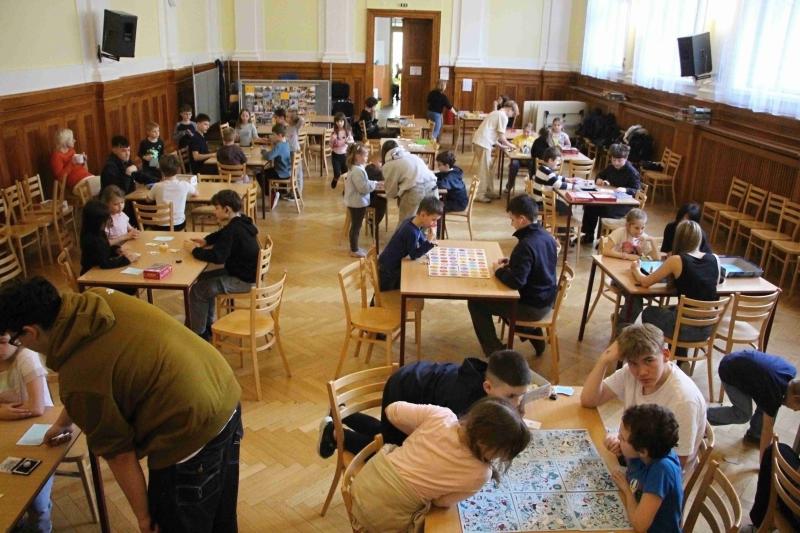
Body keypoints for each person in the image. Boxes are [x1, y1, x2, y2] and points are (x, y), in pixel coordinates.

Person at [0, 277, 242, 533]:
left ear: (31, 332)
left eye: (14, 340)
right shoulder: (95, 299)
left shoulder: (79, 379)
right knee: (222, 518)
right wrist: (63, 423)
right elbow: (97, 376)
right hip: (223, 390)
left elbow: (120, 455)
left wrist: (144, 517)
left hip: (189, 428)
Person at [348, 397, 530, 532]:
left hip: (363, 482)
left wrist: (417, 434)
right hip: (383, 519)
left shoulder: (441, 415)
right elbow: (441, 502)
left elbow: (392, 410)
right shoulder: (481, 473)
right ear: (492, 448)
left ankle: (340, 424)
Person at [317, 349, 533, 457]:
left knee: (387, 433)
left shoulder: (492, 386)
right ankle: (333, 433)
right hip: (404, 391)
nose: (516, 403)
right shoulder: (463, 402)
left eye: (521, 395)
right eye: (511, 396)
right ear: (487, 387)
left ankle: (342, 412)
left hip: (418, 382)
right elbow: (446, 443)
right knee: (392, 451)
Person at [581, 324, 706, 474]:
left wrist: (629, 448)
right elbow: (589, 400)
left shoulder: (684, 401)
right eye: (633, 363)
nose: (642, 372)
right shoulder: (630, 373)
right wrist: (605, 359)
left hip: (656, 477)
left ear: (666, 355)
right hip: (633, 457)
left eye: (649, 360)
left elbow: (677, 464)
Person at [468, 195, 558, 357]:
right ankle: (534, 335)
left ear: (522, 219)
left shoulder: (525, 245)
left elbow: (516, 282)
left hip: (531, 306)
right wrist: (513, 263)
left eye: (512, 219)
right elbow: (538, 264)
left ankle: (496, 352)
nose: (511, 224)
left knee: (477, 303)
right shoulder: (546, 236)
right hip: (546, 299)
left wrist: (498, 270)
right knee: (499, 299)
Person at [632, 220, 722, 355]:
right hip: (707, 328)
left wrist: (636, 270)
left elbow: (645, 282)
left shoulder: (677, 260)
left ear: (678, 239)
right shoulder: (715, 259)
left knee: (648, 312)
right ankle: (679, 358)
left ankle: (649, 355)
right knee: (675, 311)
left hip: (684, 329)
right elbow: (714, 283)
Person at [185, 189, 260, 338]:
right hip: (246, 273)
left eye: (217, 208)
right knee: (203, 279)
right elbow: (222, 234)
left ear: (227, 210)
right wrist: (206, 240)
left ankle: (198, 334)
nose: (214, 211)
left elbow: (218, 257)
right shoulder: (241, 220)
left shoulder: (233, 230)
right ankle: (206, 325)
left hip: (243, 280)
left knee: (197, 291)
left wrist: (194, 250)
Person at [0, 333, 54, 533]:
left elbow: (37, 407)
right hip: (8, 436)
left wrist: (3, 411)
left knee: (37, 502)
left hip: (40, 434)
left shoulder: (26, 357)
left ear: (14, 338)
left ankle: (40, 526)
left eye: (2, 342)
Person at [707, 350, 799, 452]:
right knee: (743, 414)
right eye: (798, 408)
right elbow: (767, 430)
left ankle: (755, 434)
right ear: (795, 398)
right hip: (729, 370)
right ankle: (702, 416)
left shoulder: (791, 372)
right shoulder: (774, 392)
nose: (795, 410)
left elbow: (771, 401)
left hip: (741, 361)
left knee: (772, 405)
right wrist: (764, 460)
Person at [612, 404, 683, 533]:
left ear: (643, 451)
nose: (618, 438)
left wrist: (627, 490)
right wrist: (616, 447)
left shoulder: (662, 470)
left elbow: (639, 526)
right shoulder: (648, 451)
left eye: (622, 438)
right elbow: (632, 462)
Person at [602, 209, 659, 331]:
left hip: (636, 276)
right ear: (628, 225)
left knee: (640, 295)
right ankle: (621, 330)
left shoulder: (643, 237)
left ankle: (621, 323)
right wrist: (627, 256)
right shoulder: (620, 232)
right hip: (617, 276)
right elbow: (605, 250)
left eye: (642, 228)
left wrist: (653, 242)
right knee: (635, 299)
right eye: (636, 228)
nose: (640, 231)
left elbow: (656, 260)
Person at [377, 196, 442, 291]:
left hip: (388, 264)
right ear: (423, 215)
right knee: (409, 285)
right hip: (389, 271)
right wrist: (428, 242)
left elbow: (420, 238)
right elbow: (414, 255)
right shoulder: (411, 231)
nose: (435, 223)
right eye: (433, 219)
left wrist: (428, 242)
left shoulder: (412, 221)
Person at [581, 143, 641, 244]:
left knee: (605, 210)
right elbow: (600, 175)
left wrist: (625, 189)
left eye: (619, 160)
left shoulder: (632, 172)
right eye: (614, 160)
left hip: (623, 205)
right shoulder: (611, 167)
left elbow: (636, 190)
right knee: (590, 206)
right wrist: (599, 179)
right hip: (610, 199)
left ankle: (607, 240)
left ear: (626, 159)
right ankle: (589, 235)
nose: (616, 163)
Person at [381, 140, 439, 224]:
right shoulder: (412, 156)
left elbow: (391, 192)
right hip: (433, 188)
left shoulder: (389, 164)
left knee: (406, 224)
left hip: (415, 191)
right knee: (427, 223)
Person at [472, 100, 518, 203]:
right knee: (484, 170)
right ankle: (480, 194)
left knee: (489, 169)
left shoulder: (496, 112)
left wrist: (501, 146)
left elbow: (491, 133)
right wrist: (512, 145)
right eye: (513, 113)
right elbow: (501, 136)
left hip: (481, 142)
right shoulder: (503, 116)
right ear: (510, 109)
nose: (512, 116)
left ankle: (489, 191)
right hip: (483, 143)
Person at [80, 199, 138, 279]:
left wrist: (116, 250)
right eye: (105, 220)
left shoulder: (98, 231)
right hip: (91, 275)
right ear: (95, 222)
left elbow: (104, 248)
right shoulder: (90, 239)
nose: (107, 222)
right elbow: (105, 263)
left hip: (100, 271)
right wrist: (126, 260)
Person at [344, 143, 381, 258]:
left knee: (356, 226)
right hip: (357, 203)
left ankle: (354, 247)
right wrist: (374, 185)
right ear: (357, 156)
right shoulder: (357, 171)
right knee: (356, 226)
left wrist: (374, 183)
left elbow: (364, 183)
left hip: (357, 201)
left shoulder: (357, 168)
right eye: (365, 156)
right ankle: (354, 250)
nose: (367, 158)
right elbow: (363, 188)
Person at [148, 154, 198, 231]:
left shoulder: (157, 186)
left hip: (160, 225)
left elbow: (148, 200)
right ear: (178, 170)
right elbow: (196, 193)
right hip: (178, 224)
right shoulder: (184, 184)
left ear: (161, 171)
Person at [100, 135, 157, 202]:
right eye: (123, 151)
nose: (127, 154)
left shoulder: (125, 161)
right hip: (115, 203)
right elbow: (119, 193)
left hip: (127, 199)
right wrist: (127, 174)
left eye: (129, 150)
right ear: (114, 150)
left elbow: (139, 176)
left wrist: (157, 181)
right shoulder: (109, 167)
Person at [260, 123, 292, 209]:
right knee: (266, 171)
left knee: (260, 174)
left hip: (281, 173)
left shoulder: (279, 145)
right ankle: (276, 192)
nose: (272, 136)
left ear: (280, 135)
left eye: (273, 134)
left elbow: (268, 157)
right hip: (287, 171)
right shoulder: (286, 143)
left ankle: (271, 195)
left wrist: (263, 152)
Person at [532, 146, 572, 215]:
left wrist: (565, 179)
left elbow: (554, 177)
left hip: (539, 200)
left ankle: (559, 221)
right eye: (557, 160)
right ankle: (559, 222)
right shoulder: (547, 172)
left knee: (562, 205)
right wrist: (573, 186)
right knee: (566, 210)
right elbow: (559, 185)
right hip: (542, 203)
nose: (558, 163)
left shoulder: (542, 168)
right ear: (550, 160)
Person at [506, 123, 536, 194]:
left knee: (533, 166)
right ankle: (509, 186)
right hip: (518, 159)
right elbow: (511, 149)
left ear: (532, 132)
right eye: (524, 131)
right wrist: (516, 149)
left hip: (529, 160)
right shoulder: (517, 138)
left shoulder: (534, 140)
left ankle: (531, 187)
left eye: (528, 132)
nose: (526, 133)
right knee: (513, 164)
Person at [283, 108, 306, 198]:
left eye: (289, 117)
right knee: (292, 173)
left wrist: (296, 115)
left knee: (298, 172)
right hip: (289, 152)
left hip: (295, 151)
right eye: (286, 116)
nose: (286, 118)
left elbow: (302, 120)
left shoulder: (296, 127)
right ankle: (292, 191)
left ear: (293, 118)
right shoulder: (287, 127)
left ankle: (298, 192)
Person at [329, 112, 353, 189]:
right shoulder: (334, 132)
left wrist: (347, 142)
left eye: (341, 121)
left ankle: (346, 189)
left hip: (345, 155)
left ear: (344, 121)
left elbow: (351, 142)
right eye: (337, 121)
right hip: (335, 155)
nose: (339, 123)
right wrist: (332, 140)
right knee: (337, 173)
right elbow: (331, 145)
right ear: (335, 122)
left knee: (345, 174)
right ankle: (335, 179)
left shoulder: (348, 131)